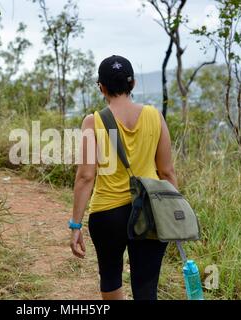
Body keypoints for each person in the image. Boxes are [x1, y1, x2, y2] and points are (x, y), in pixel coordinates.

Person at [68, 55, 178, 300]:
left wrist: (75, 225)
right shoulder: (155, 116)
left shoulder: (92, 122)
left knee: (110, 281)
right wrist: (172, 214)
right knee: (146, 289)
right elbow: (167, 172)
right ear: (133, 84)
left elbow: (86, 177)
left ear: (101, 87)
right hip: (150, 211)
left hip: (107, 214)